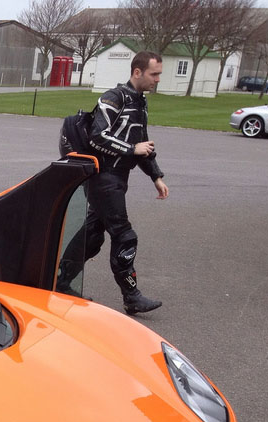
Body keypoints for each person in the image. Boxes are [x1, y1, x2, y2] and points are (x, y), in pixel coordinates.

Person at [58, 51, 168, 315]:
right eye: (154, 74)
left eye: (159, 74)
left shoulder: (139, 102)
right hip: (103, 178)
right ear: (137, 72)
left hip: (117, 178)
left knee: (92, 235)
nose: (157, 80)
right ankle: (132, 296)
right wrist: (131, 149)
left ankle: (60, 283)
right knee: (124, 235)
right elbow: (97, 137)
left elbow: (142, 143)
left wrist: (155, 176)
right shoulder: (113, 98)